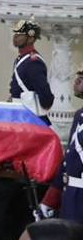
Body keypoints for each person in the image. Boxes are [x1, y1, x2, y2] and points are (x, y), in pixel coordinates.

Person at [41, 67, 83, 222]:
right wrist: (49, 200)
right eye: (78, 76)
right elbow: (68, 161)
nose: (76, 81)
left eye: (82, 78)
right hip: (71, 198)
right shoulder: (79, 116)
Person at [9, 18, 53, 124]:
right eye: (15, 34)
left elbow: (46, 97)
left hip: (29, 118)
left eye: (20, 34)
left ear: (31, 39)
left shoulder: (33, 62)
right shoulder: (22, 59)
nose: (15, 37)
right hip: (20, 114)